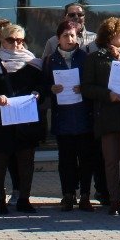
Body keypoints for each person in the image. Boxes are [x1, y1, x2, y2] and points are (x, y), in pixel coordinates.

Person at [0, 22, 47, 214]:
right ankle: (0, 200)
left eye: (20, 40)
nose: (16, 44)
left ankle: (24, 199)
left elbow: (43, 87)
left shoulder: (33, 63)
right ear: (2, 41)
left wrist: (38, 93)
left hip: (26, 120)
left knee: (26, 162)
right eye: (11, 40)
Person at [80, 16, 120, 215]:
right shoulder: (94, 58)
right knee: (110, 161)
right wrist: (107, 95)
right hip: (106, 116)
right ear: (110, 34)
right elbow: (86, 88)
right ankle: (114, 200)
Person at [43, 18, 95, 212]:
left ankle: (85, 195)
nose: (69, 39)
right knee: (66, 160)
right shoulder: (50, 60)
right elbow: (42, 85)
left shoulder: (86, 58)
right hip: (62, 117)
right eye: (65, 35)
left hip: (83, 117)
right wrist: (50, 88)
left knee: (86, 159)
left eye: (73, 35)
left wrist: (84, 88)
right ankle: (67, 195)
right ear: (58, 39)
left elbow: (94, 84)